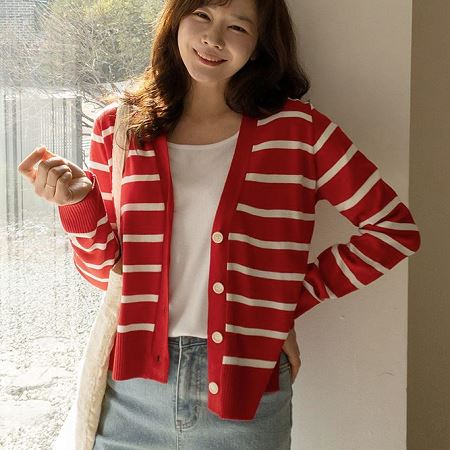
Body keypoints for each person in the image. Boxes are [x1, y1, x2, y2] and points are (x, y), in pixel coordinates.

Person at [17, 0, 421, 448]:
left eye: (238, 27)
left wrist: (284, 302)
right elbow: (104, 274)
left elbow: (394, 230)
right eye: (203, 16)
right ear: (177, 19)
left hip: (246, 394)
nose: (213, 38)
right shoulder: (120, 127)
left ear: (260, 43)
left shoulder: (300, 131)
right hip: (130, 394)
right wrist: (78, 204)